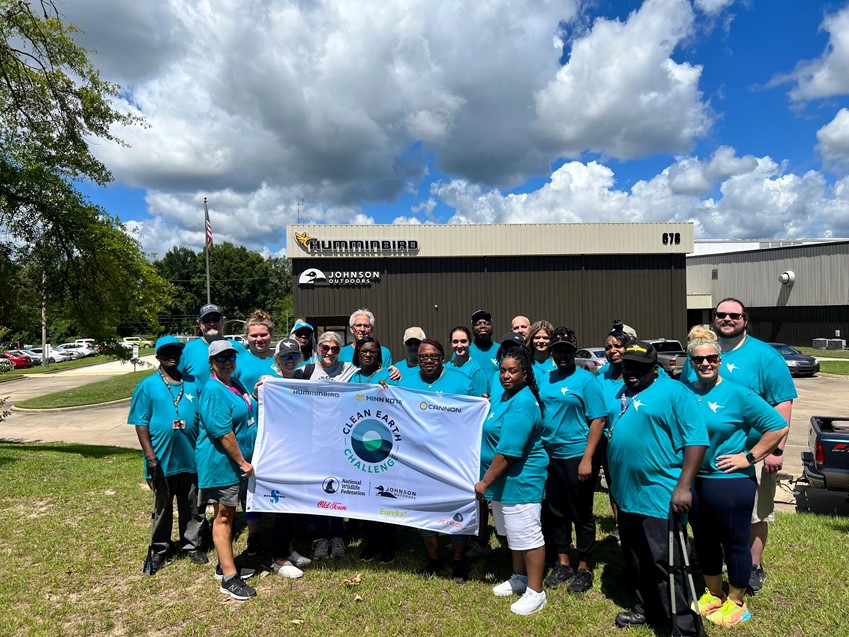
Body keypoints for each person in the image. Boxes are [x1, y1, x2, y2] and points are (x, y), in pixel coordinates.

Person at [679, 298, 796, 595]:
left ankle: (751, 569)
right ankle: (714, 583)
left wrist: (768, 452)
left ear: (745, 319)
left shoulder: (764, 355)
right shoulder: (698, 355)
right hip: (701, 468)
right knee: (706, 532)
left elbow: (782, 405)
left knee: (753, 518)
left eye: (734, 315)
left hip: (744, 459)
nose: (727, 319)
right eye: (721, 314)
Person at [607, 341, 708, 635]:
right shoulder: (623, 392)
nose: (631, 372)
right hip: (628, 495)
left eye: (639, 368)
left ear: (655, 369)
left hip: (660, 494)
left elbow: (696, 440)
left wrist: (684, 486)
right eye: (627, 366)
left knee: (667, 563)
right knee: (638, 559)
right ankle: (647, 608)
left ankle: (684, 626)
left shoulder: (675, 392)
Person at [476, 346, 549, 616]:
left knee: (527, 535)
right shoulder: (506, 396)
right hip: (504, 482)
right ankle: (519, 577)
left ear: (525, 373)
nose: (506, 376)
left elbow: (508, 452)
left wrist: (484, 483)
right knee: (513, 533)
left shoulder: (523, 403)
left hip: (521, 480)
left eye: (513, 371)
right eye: (503, 371)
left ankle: (536, 592)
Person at [128, 335, 207, 574]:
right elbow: (141, 423)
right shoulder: (147, 386)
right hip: (162, 460)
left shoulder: (193, 383)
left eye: (176, 351)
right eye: (167, 352)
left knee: (193, 505)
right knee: (162, 508)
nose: (172, 356)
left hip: (191, 458)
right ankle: (160, 549)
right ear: (158, 356)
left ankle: (192, 545)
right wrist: (150, 457)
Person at [398, 339, 475, 582]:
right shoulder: (405, 383)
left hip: (455, 457)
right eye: (424, 357)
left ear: (442, 357)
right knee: (424, 508)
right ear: (418, 359)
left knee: (457, 507)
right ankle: (434, 559)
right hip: (419, 460)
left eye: (433, 356)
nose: (429, 360)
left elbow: (476, 411)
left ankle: (459, 559)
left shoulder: (461, 381)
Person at [537, 328, 606, 593]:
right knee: (556, 511)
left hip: (577, 454)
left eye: (567, 349)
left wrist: (588, 458)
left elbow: (598, 419)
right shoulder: (545, 378)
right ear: (551, 352)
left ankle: (584, 567)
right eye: (557, 350)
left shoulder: (586, 380)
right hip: (550, 455)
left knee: (581, 512)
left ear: (574, 351)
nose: (562, 354)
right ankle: (563, 562)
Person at [196, 339, 258, 600]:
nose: (227, 362)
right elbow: (223, 433)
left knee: (229, 515)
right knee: (223, 516)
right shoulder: (213, 390)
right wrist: (243, 463)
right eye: (220, 358)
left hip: (235, 464)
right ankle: (229, 578)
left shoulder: (234, 383)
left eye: (230, 357)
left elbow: (246, 409)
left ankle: (225, 565)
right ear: (211, 363)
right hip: (221, 464)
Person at [251, 337, 312, 577]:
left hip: (298, 451)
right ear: (277, 359)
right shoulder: (269, 381)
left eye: (294, 356)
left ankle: (289, 548)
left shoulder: (302, 380)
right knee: (283, 506)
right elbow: (257, 398)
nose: (290, 360)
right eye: (285, 356)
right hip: (278, 453)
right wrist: (259, 389)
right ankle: (279, 559)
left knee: (294, 505)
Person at [302, 330, 357, 559]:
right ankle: (321, 537)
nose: (330, 352)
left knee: (338, 489)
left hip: (341, 442)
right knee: (319, 489)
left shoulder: (349, 369)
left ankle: (337, 535)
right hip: (315, 442)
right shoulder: (307, 371)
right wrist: (265, 382)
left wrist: (392, 371)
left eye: (335, 349)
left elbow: (372, 376)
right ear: (318, 349)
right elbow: (282, 378)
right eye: (325, 348)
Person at [349, 337, 399, 564]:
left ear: (379, 355)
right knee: (365, 497)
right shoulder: (353, 377)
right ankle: (371, 543)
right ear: (358, 354)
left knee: (385, 496)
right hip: (360, 445)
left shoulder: (390, 375)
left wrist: (389, 391)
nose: (368, 355)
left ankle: (388, 545)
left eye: (372, 352)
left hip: (384, 444)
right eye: (363, 351)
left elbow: (398, 405)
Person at [234, 310, 277, 557]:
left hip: (279, 430)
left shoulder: (281, 358)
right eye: (254, 335)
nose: (259, 339)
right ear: (247, 337)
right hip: (251, 430)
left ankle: (283, 532)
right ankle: (255, 533)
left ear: (271, 335)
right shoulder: (238, 360)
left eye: (264, 335)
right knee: (250, 482)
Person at [595, 320, 637, 543]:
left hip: (635, 442)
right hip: (607, 442)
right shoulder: (601, 376)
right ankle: (620, 527)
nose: (612, 350)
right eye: (608, 347)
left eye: (617, 346)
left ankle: (637, 524)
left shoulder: (639, 375)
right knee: (614, 484)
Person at [179, 304, 245, 387]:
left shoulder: (238, 348)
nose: (212, 323)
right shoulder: (187, 349)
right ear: (199, 324)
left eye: (215, 319)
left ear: (223, 321)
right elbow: (176, 379)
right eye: (206, 320)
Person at [445, 325, 489, 397]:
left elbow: (480, 400)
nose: (459, 345)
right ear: (451, 343)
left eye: (463, 341)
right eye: (455, 342)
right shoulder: (445, 368)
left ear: (470, 342)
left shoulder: (476, 370)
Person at [469, 309, 498, 378]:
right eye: (478, 324)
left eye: (486, 323)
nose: (482, 326)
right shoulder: (464, 350)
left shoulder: (501, 350)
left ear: (492, 327)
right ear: (473, 328)